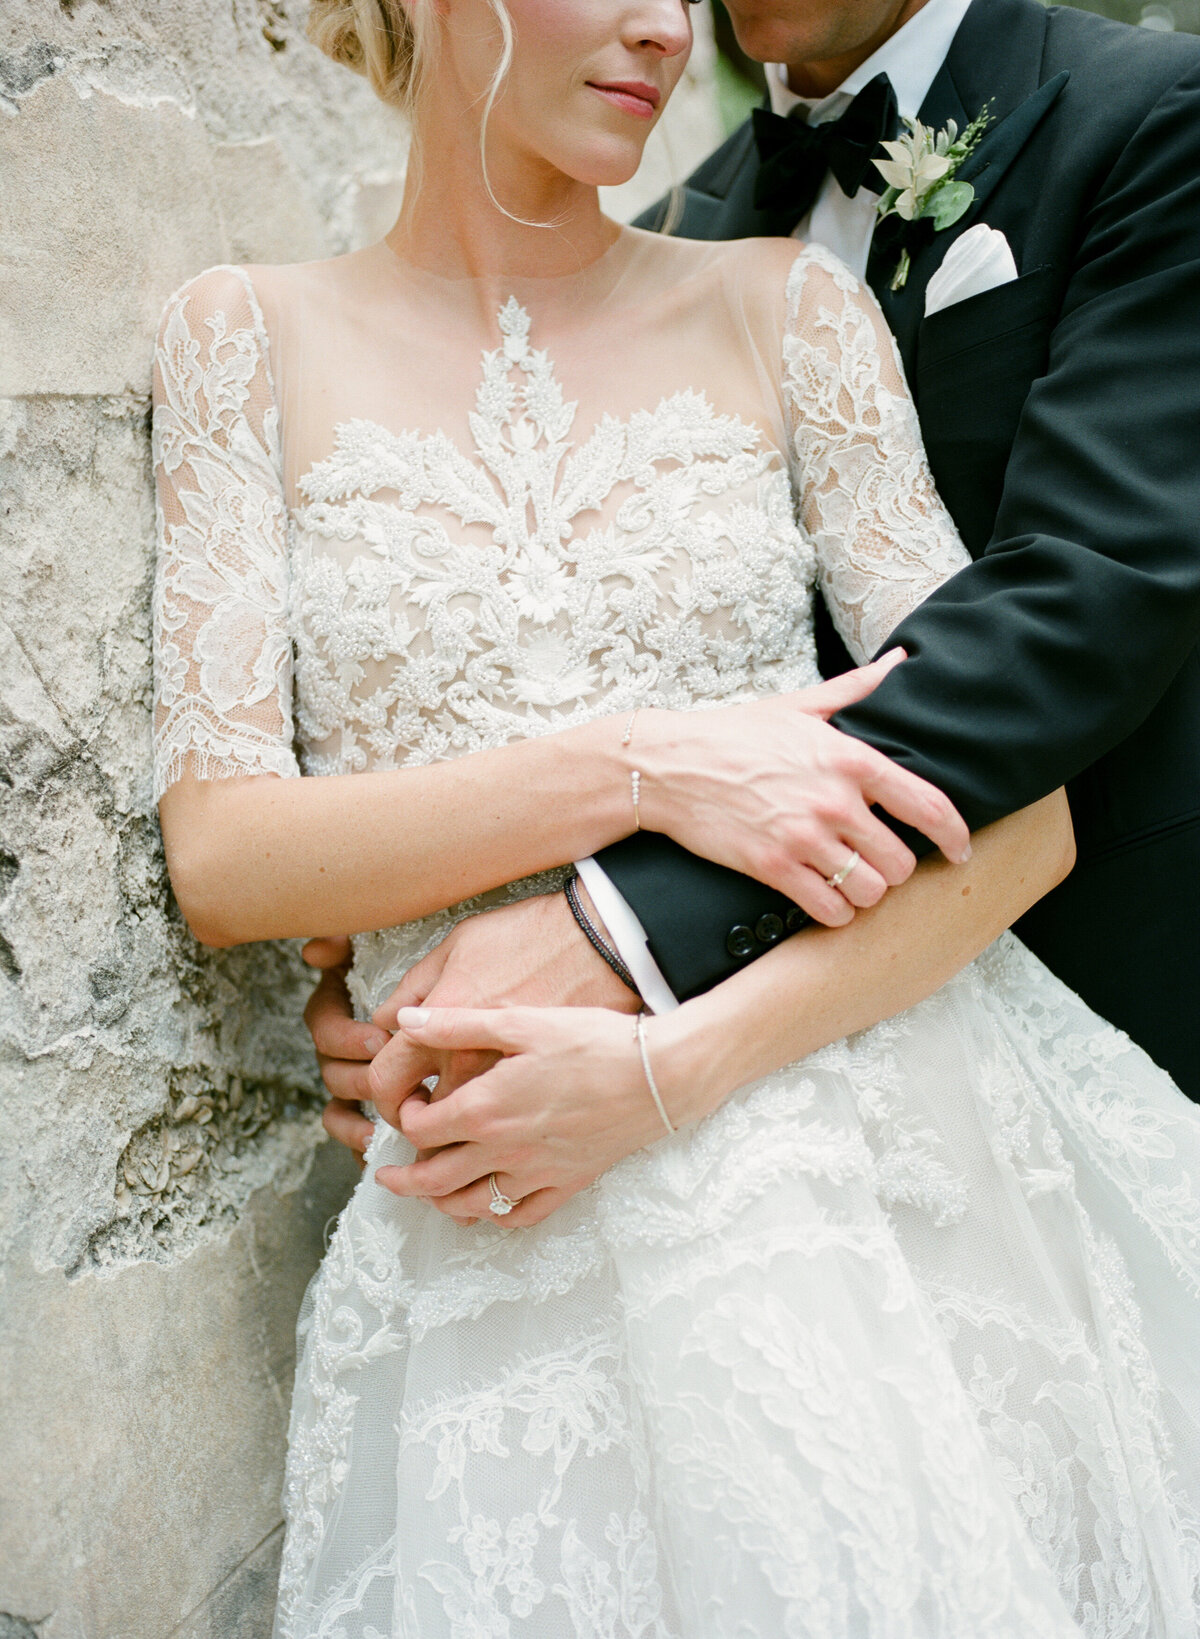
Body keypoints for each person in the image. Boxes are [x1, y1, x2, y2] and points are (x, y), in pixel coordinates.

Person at [150, 0, 1200, 1632]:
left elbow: (1022, 812)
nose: (663, 20)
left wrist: (665, 1072)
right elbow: (224, 854)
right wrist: (645, 763)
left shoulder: (788, 305)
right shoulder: (244, 338)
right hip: (499, 1237)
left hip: (889, 1182)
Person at [309, 0, 1200, 1167]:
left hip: (1116, 991)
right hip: (763, 1077)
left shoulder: (1153, 115)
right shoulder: (683, 224)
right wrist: (414, 995)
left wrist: (619, 930)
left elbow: (1089, 591)